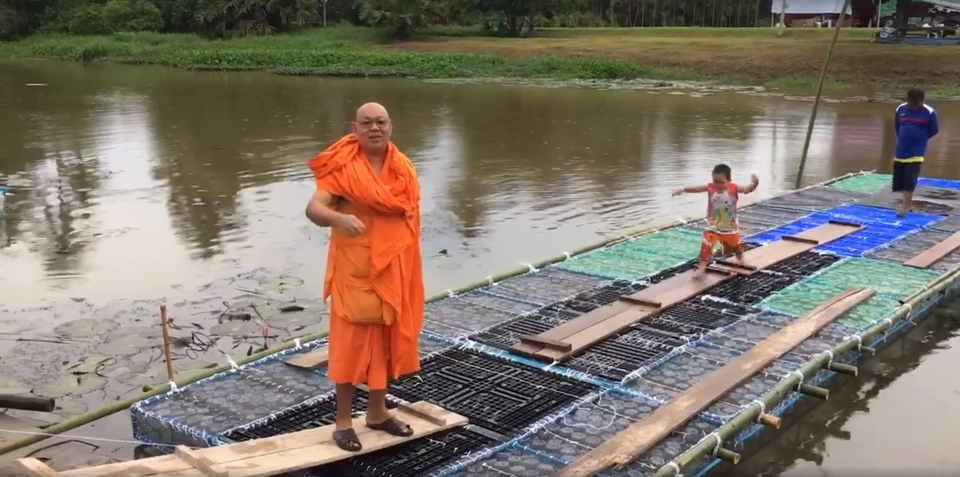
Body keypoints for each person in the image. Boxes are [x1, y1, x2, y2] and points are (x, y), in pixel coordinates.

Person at [304, 102, 424, 452]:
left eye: (381, 122)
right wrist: (339, 219)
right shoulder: (342, 167)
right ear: (354, 128)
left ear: (391, 126)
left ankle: (377, 413)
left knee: (385, 343)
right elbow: (314, 209)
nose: (375, 127)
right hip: (355, 273)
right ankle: (343, 423)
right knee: (350, 348)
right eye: (367, 122)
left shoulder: (402, 168)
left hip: (394, 269)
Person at [672, 164, 759, 279]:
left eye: (722, 182)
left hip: (730, 226)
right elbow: (696, 189)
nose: (718, 185)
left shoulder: (734, 188)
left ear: (729, 181)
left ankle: (741, 260)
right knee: (706, 245)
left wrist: (754, 183)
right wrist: (682, 189)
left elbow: (748, 189)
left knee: (735, 246)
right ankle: (702, 267)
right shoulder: (710, 187)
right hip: (713, 226)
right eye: (715, 182)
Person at [894, 87, 939, 216]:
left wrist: (920, 138)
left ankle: (905, 205)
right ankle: (908, 202)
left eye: (916, 103)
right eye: (911, 103)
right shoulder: (901, 109)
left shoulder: (929, 112)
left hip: (916, 151)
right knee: (901, 180)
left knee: (909, 178)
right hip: (901, 149)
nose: (913, 106)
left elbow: (934, 130)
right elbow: (897, 126)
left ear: (922, 100)